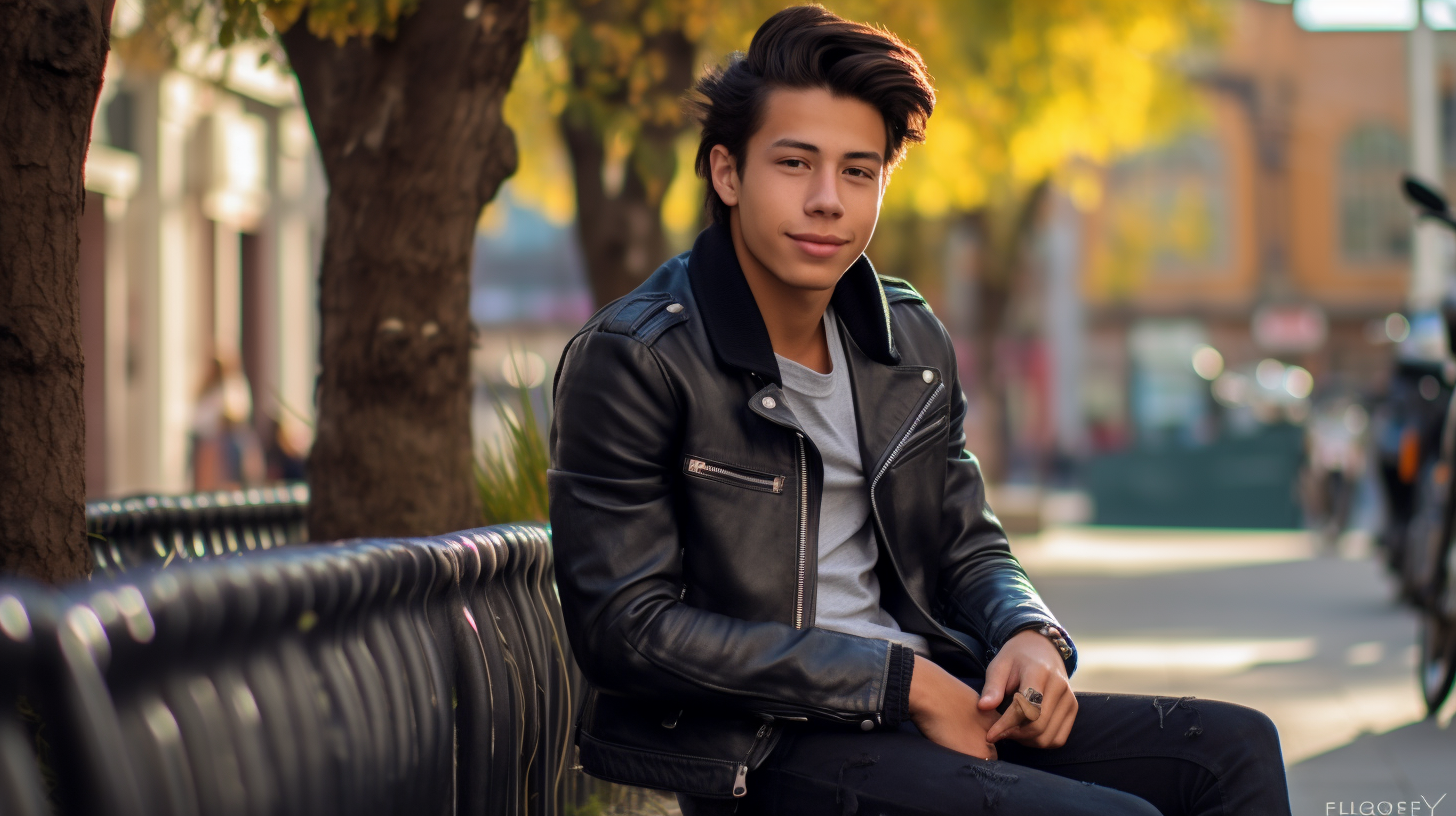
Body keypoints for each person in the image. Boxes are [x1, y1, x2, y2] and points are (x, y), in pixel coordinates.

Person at [547, 7, 1292, 814]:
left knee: (1235, 752)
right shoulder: (638, 357)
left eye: (858, 172)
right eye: (795, 164)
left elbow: (967, 544)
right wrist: (899, 686)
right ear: (728, 174)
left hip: (929, 704)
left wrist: (1029, 634)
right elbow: (627, 629)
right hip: (765, 746)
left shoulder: (906, 339)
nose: (828, 201)